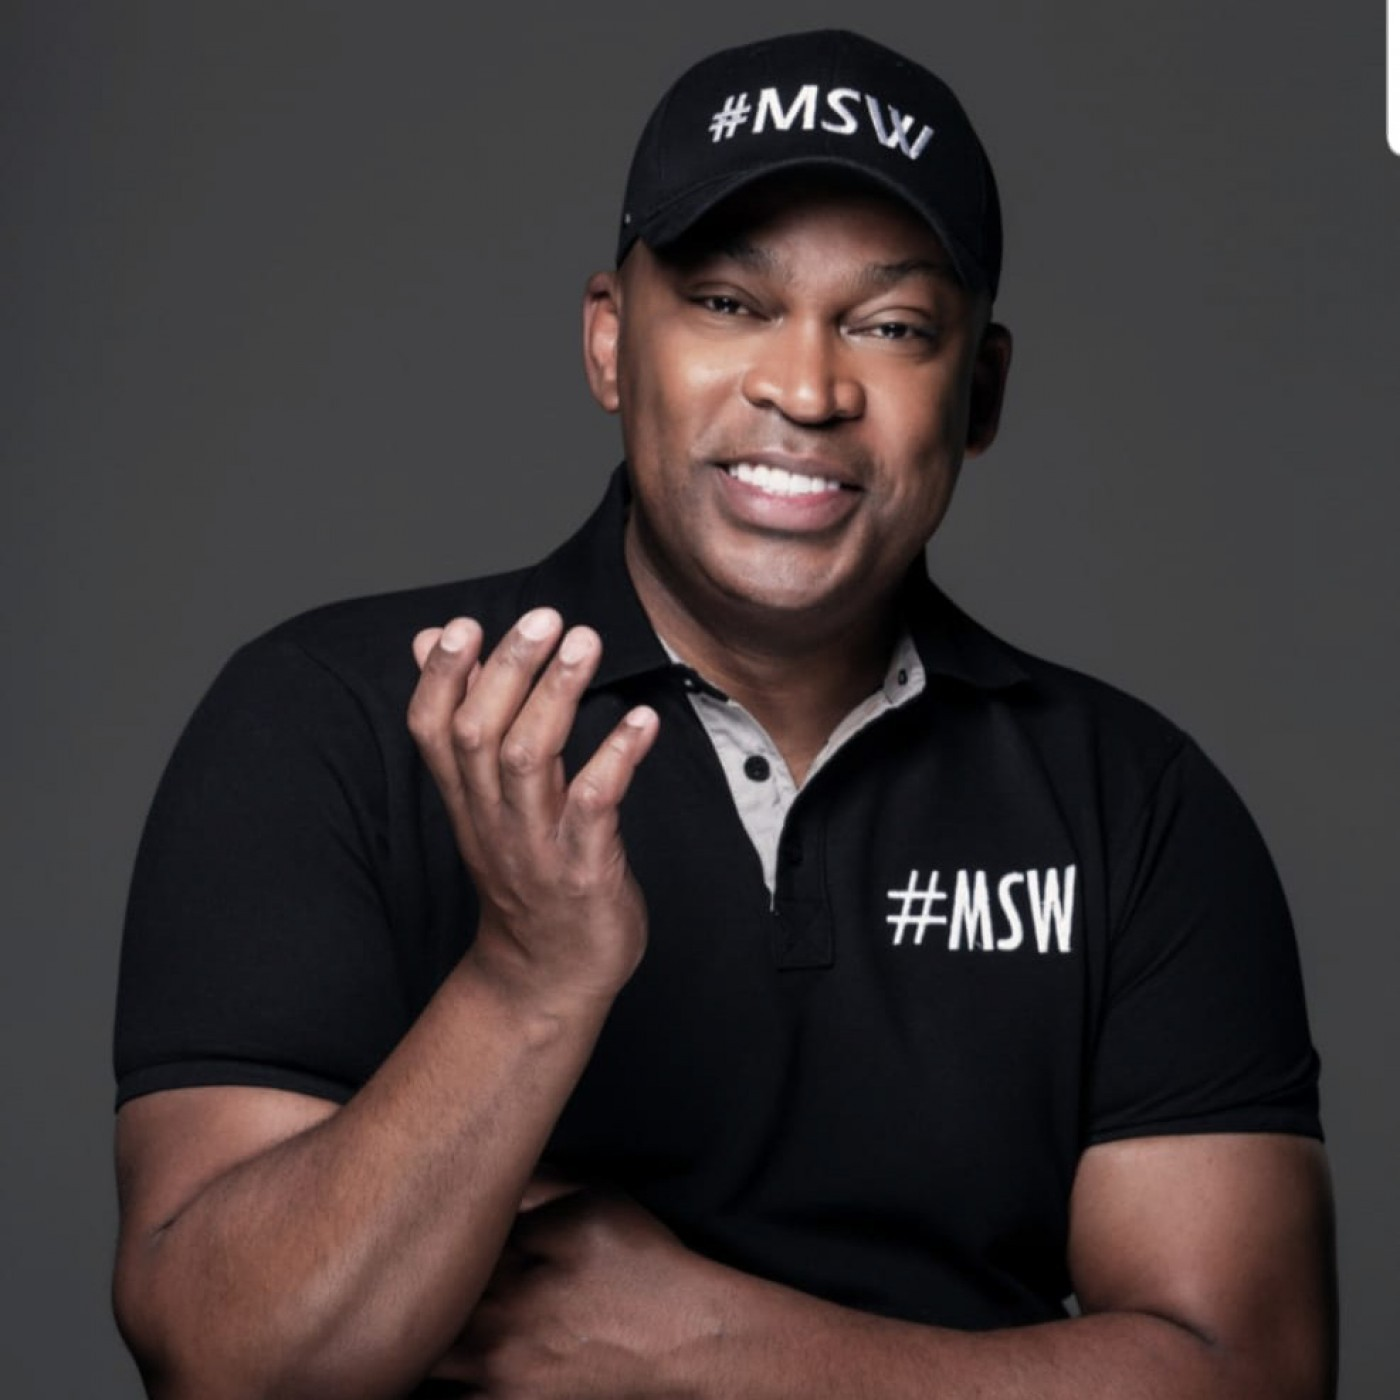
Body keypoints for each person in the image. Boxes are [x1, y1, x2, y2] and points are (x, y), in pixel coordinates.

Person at [111, 28, 1336, 1400]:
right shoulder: (335, 723)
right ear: (609, 340)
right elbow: (233, 1361)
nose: (804, 391)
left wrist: (713, 1349)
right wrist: (526, 985)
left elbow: (1251, 1372)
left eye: (890, 327)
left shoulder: (1133, 807)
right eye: (729, 303)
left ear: (980, 391)